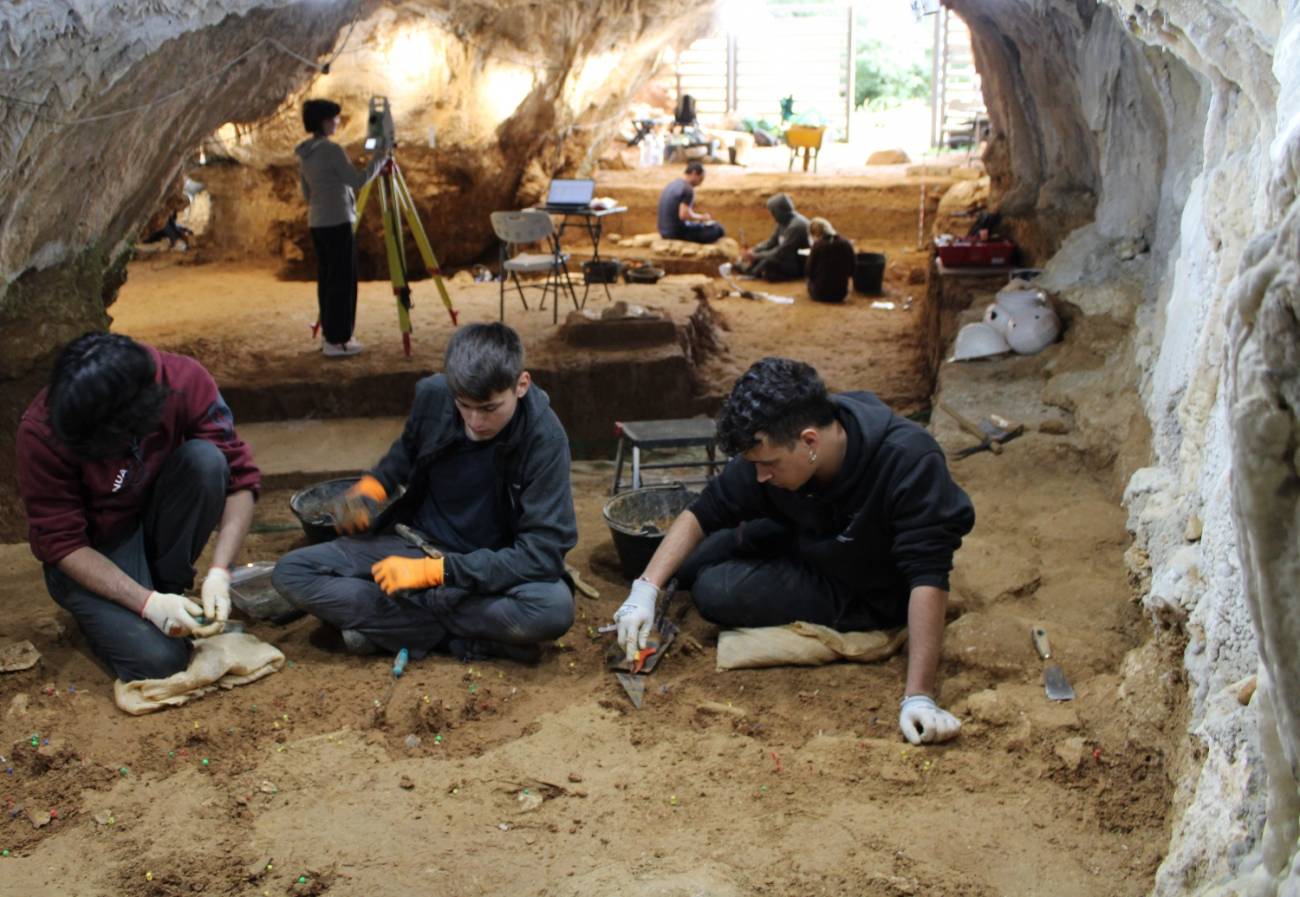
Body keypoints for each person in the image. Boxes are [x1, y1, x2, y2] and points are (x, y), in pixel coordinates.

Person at [612, 358, 975, 745]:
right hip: (804, 534)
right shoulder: (780, 448)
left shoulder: (910, 462)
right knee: (687, 562)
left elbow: (928, 576)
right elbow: (704, 509)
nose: (760, 476)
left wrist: (919, 695)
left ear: (810, 442)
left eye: (768, 465)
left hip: (863, 585)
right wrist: (645, 589)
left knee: (715, 590)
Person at [272, 323, 577, 663]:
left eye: (489, 408)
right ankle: (462, 640)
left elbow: (542, 554)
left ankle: (399, 626)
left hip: (490, 563)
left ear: (521, 385)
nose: (475, 421)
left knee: (552, 609)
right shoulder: (434, 395)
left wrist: (434, 574)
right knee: (291, 572)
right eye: (464, 405)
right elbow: (404, 453)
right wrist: (372, 488)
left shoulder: (545, 440)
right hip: (415, 543)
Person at [16, 333, 261, 682]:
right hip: (94, 552)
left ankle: (168, 586)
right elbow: (63, 542)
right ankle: (138, 604)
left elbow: (241, 481)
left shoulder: (182, 381)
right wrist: (148, 605)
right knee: (159, 664)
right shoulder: (41, 430)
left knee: (206, 462)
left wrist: (221, 572)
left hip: (154, 519)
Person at [296, 98, 387, 358]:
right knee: (343, 282)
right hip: (337, 221)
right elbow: (356, 180)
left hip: (318, 222)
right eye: (334, 118)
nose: (337, 122)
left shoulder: (304, 152)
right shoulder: (331, 150)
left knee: (327, 280)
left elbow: (306, 192)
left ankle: (331, 336)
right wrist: (380, 159)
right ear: (324, 121)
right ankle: (338, 340)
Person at [736, 193, 809, 281]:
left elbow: (781, 252)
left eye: (773, 212)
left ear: (780, 211)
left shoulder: (797, 226)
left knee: (768, 262)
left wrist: (755, 256)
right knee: (765, 256)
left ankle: (752, 273)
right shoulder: (783, 221)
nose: (772, 215)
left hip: (797, 262)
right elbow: (771, 242)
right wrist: (754, 250)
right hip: (787, 257)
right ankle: (751, 270)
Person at [656, 161, 724, 244]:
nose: (700, 183)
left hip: (664, 231)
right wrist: (701, 217)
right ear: (694, 173)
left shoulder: (673, 184)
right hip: (675, 233)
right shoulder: (688, 189)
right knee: (718, 229)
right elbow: (683, 215)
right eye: (701, 179)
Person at [806, 217, 856, 303]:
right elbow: (852, 269)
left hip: (819, 294)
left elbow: (808, 271)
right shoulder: (846, 243)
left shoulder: (817, 245)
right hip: (840, 294)